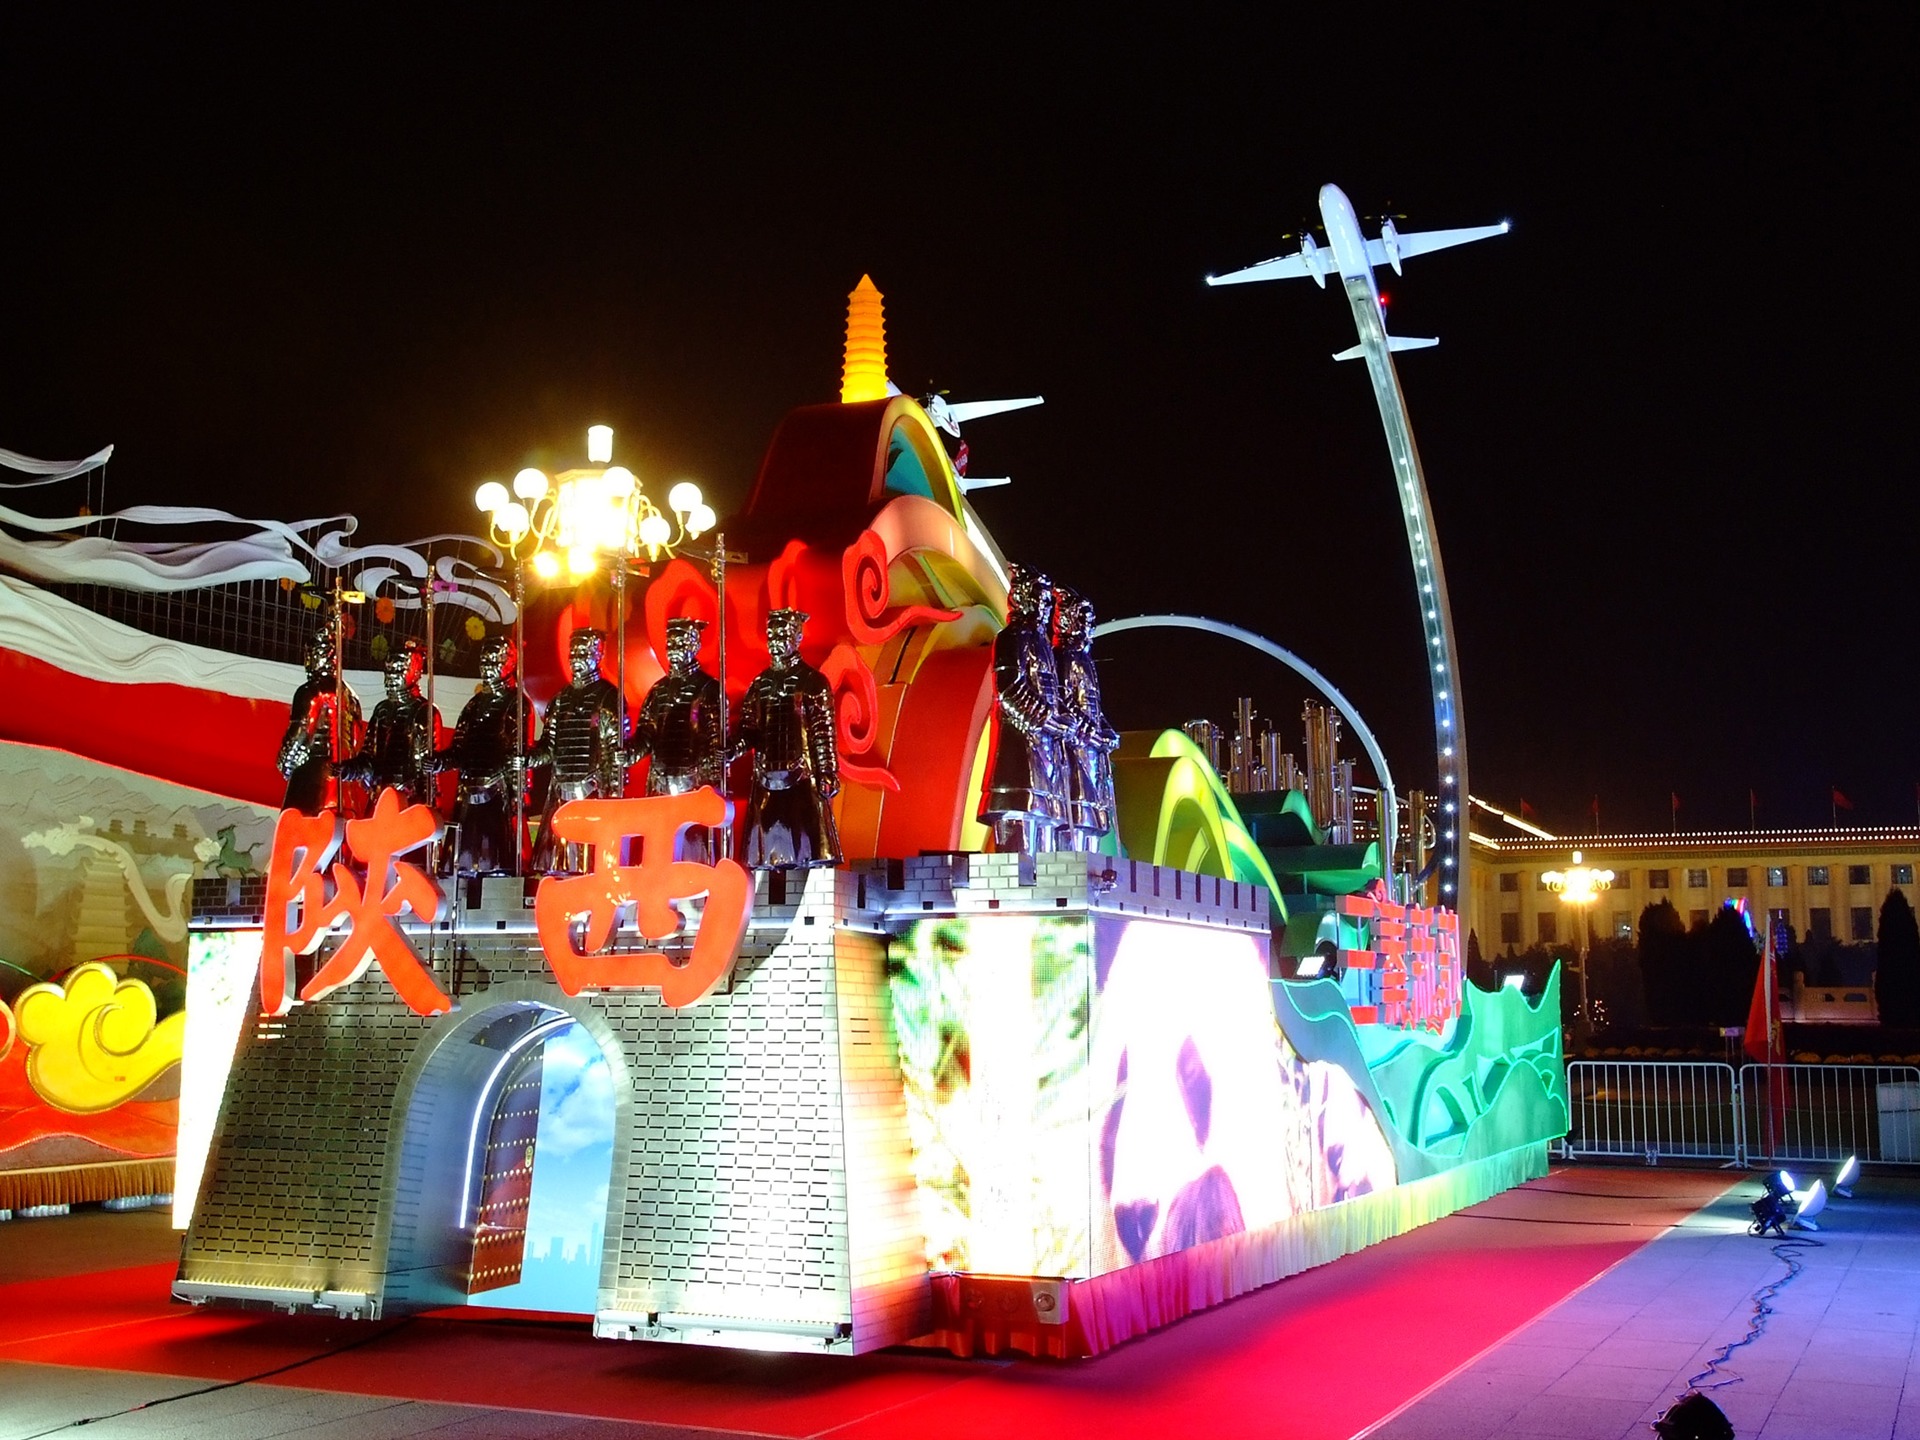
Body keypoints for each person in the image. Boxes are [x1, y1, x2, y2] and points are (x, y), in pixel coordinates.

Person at [734, 608, 841, 869]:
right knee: (765, 856)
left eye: (782, 634)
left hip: (803, 775)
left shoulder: (813, 682)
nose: (775, 641)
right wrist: (733, 748)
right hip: (766, 776)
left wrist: (827, 771)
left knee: (809, 850)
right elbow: (749, 730)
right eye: (771, 635)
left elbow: (822, 733)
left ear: (797, 638)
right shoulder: (760, 684)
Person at [978, 562, 1068, 851]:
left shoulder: (1043, 645)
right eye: (1039, 599)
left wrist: (1062, 722)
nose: (1044, 607)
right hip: (1017, 755)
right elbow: (1010, 690)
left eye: (1047, 602)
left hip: (1046, 754)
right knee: (1018, 845)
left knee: (1046, 845)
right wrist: (1048, 719)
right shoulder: (1010, 638)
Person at [527, 628, 626, 873]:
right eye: (573, 653)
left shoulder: (608, 696)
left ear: (597, 655)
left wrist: (614, 796)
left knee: (592, 865)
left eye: (583, 652)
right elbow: (548, 748)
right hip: (560, 792)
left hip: (594, 792)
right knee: (557, 868)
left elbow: (615, 754)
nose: (576, 659)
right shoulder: (560, 699)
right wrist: (526, 758)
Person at [437, 636, 529, 874]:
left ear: (510, 662)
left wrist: (518, 794)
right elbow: (459, 750)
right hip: (467, 793)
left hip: (499, 794)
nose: (487, 667)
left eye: (494, 660)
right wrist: (438, 762)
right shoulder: (472, 705)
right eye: (484, 661)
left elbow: (518, 755)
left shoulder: (517, 703)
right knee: (461, 865)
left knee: (498, 865)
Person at [1052, 585, 1119, 849]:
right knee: (1076, 811)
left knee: (1093, 815)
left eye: (1089, 620)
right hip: (1073, 750)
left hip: (1092, 751)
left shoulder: (1086, 661)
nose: (1086, 626)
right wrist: (1088, 731)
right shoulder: (1061, 657)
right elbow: (1063, 703)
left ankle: (1090, 865)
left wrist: (1107, 731)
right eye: (1081, 618)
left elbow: (1094, 708)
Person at [276, 615, 362, 814]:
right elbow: (357, 740)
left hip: (313, 779)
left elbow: (300, 734)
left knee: (300, 836)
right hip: (344, 783)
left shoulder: (312, 691)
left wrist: (285, 765)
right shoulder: (350, 695)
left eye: (314, 653)